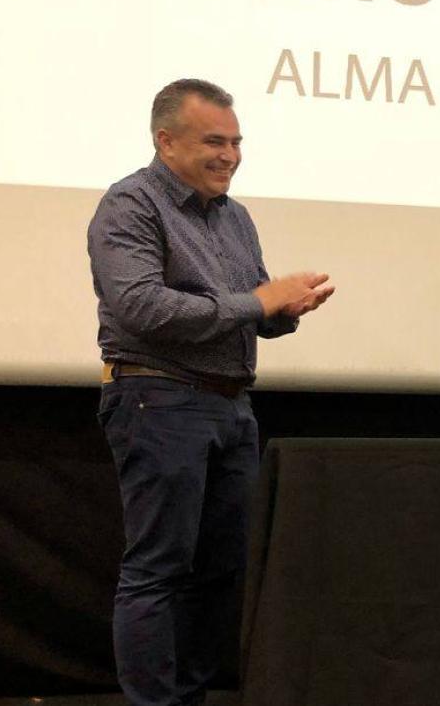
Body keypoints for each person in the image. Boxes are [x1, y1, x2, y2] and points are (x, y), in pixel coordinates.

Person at [87, 78, 334, 706]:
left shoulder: (236, 217)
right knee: (158, 569)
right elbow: (141, 308)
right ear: (165, 141)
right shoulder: (130, 205)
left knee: (220, 572)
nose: (230, 155)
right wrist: (257, 301)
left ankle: (191, 697)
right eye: (213, 142)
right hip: (157, 400)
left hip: (230, 406)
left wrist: (285, 310)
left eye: (236, 141)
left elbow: (250, 309)